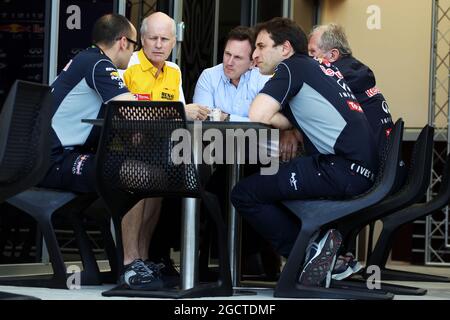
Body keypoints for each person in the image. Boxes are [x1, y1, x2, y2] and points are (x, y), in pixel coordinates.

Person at [231, 17, 379, 288]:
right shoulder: (316, 67)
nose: (254, 54)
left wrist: (273, 116)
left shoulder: (290, 68)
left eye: (262, 46)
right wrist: (283, 122)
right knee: (270, 184)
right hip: (359, 170)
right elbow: (286, 120)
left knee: (244, 193)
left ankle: (309, 252)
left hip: (341, 168)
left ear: (285, 48)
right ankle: (321, 253)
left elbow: (258, 113)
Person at [39, 14, 165, 291]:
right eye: (134, 46)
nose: (134, 54)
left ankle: (142, 260)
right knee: (136, 172)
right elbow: (134, 109)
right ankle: (130, 266)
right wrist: (185, 111)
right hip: (52, 161)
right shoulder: (98, 64)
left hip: (63, 155)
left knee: (155, 176)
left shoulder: (88, 60)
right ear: (123, 42)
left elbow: (119, 115)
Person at [308, 23, 395, 280]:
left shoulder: (337, 80)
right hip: (384, 171)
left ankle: (319, 258)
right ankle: (332, 257)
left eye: (313, 52)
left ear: (332, 56)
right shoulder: (357, 75)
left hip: (368, 175)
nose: (308, 59)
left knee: (298, 176)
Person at [122, 12, 209, 121]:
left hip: (167, 136)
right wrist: (177, 111)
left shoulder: (174, 71)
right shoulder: (127, 65)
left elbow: (180, 119)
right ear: (143, 40)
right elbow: (124, 114)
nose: (158, 45)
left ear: (173, 42)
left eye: (164, 39)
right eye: (153, 38)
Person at [193, 26, 270, 117]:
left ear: (252, 63)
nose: (229, 62)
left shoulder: (264, 80)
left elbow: (265, 123)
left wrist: (226, 118)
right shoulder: (209, 76)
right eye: (228, 54)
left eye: (237, 57)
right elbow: (202, 119)